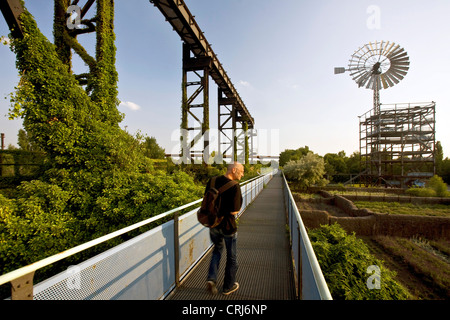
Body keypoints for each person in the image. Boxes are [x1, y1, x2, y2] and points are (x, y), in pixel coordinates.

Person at [206, 162, 244, 295]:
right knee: (231, 256)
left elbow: (206, 200)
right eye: (241, 171)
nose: (242, 174)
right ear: (233, 170)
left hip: (213, 224)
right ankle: (228, 286)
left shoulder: (212, 181)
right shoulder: (234, 186)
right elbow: (234, 210)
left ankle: (211, 279)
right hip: (228, 226)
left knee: (217, 250)